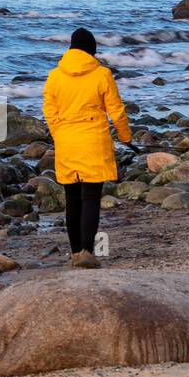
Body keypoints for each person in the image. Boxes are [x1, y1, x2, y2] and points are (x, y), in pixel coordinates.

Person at [42, 28, 132, 269]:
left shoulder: (54, 76)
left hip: (67, 142)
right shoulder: (102, 74)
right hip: (94, 141)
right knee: (91, 198)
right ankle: (87, 252)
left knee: (72, 199)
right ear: (92, 50)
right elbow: (116, 110)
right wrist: (125, 138)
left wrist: (58, 133)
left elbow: (49, 112)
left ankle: (74, 254)